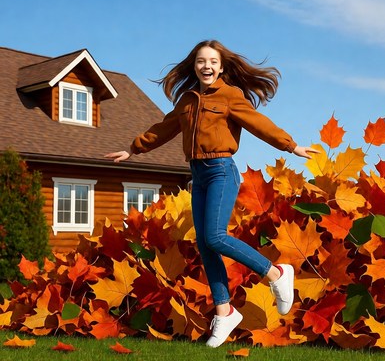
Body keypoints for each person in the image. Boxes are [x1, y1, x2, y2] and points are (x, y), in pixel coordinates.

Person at [105, 40, 318, 348]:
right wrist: (133, 148)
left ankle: (275, 272)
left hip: (221, 170)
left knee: (215, 236)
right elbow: (164, 128)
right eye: (201, 61)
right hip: (199, 174)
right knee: (206, 245)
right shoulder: (188, 100)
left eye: (212, 62)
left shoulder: (231, 96)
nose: (206, 66)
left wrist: (290, 145)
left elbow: (259, 124)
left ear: (220, 67)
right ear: (195, 66)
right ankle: (225, 310)